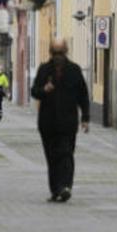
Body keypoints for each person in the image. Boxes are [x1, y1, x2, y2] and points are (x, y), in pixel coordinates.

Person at [31, 39, 89, 203]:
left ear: (66, 53)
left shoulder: (74, 70)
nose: (58, 57)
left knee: (66, 155)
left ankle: (65, 187)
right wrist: (44, 90)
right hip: (47, 123)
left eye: (61, 53)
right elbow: (34, 91)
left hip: (68, 123)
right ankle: (55, 189)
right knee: (51, 157)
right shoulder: (44, 70)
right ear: (51, 53)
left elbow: (83, 95)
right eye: (55, 53)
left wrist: (85, 118)